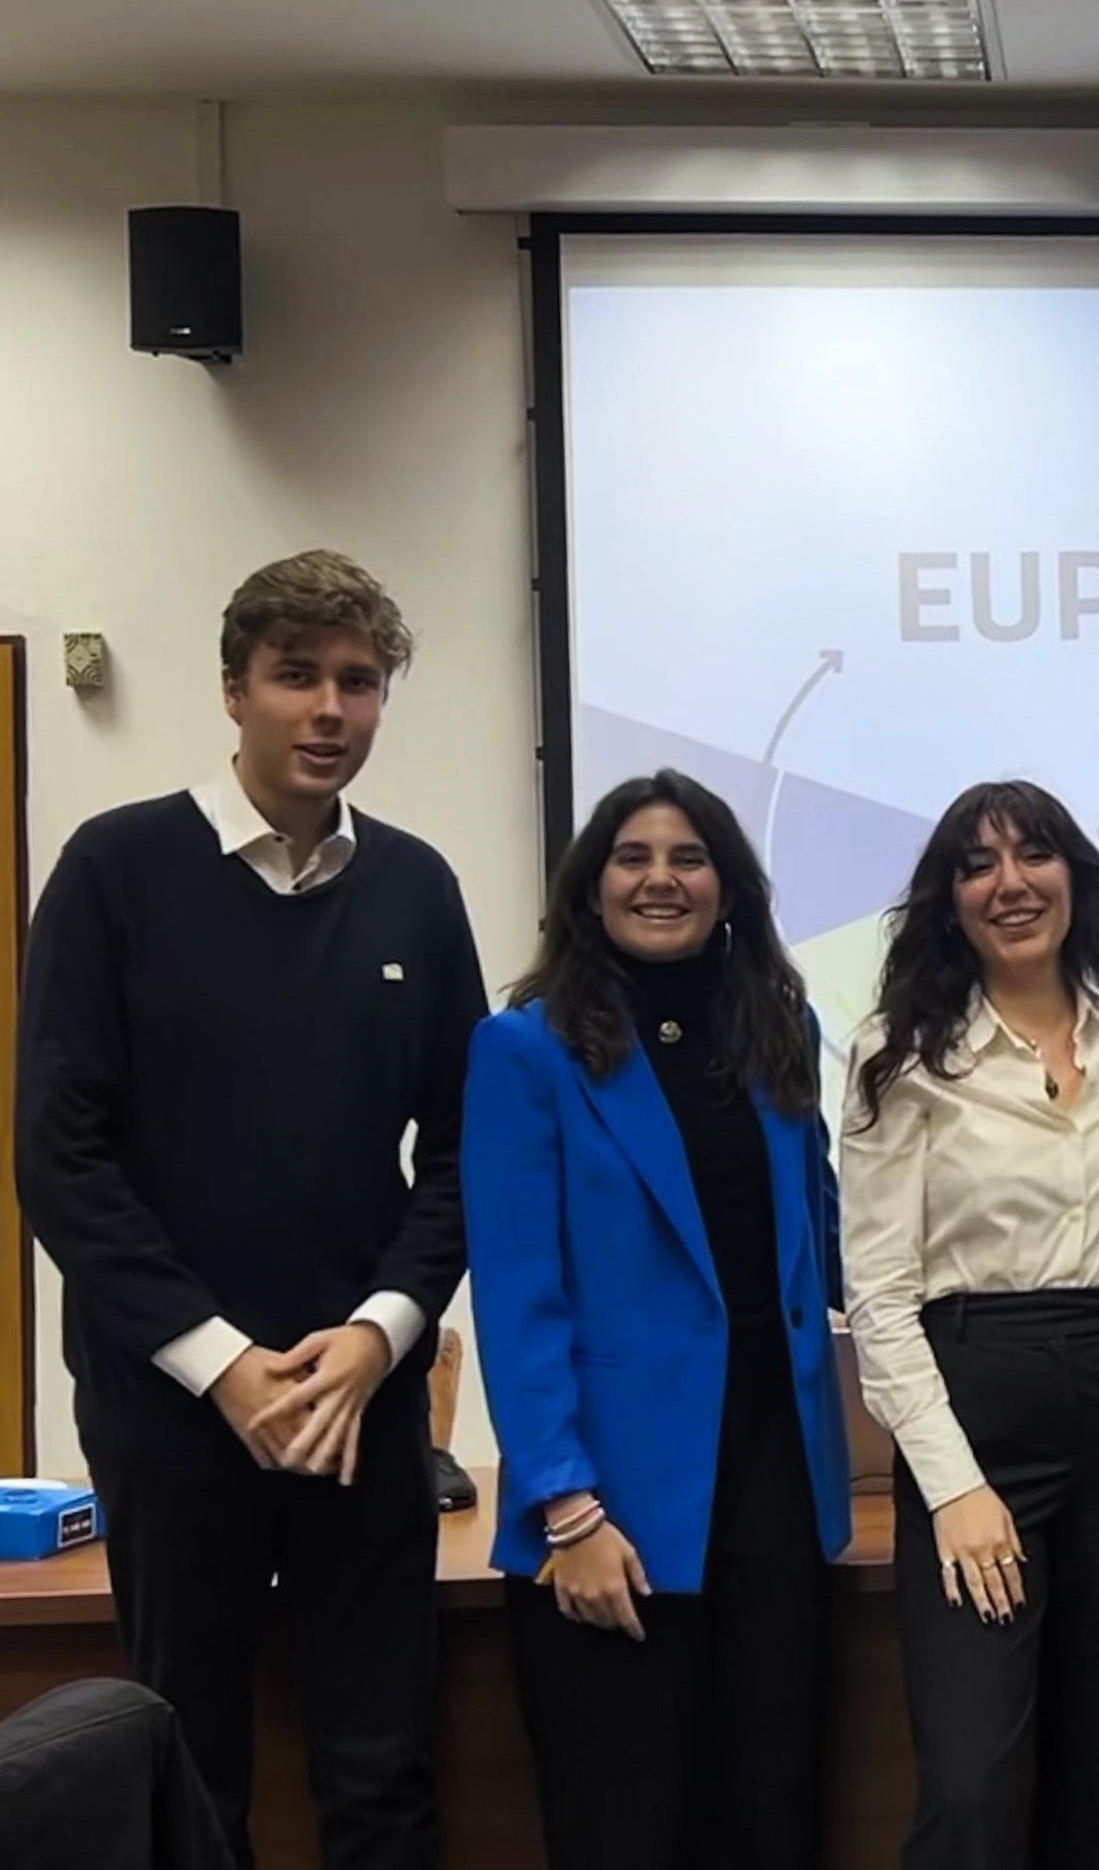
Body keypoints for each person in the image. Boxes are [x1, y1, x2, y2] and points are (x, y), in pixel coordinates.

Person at [17, 551, 483, 1870]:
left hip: (360, 1407)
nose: (330, 708)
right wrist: (222, 1365)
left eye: (360, 681)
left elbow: (463, 1151)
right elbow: (62, 1154)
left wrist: (382, 1336)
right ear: (235, 691)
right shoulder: (117, 871)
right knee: (186, 1767)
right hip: (169, 1406)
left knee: (383, 1771)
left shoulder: (416, 888)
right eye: (299, 676)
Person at [461, 770, 854, 1870]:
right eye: (633, 857)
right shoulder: (526, 1050)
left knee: (775, 1816)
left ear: (728, 887)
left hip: (777, 1485)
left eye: (688, 858)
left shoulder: (781, 1030)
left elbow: (819, 1244)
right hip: (616, 1509)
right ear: (591, 889)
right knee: (625, 1826)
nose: (661, 879)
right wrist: (568, 1511)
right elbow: (517, 1295)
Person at [840, 780, 1099, 1870]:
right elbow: (879, 1296)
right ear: (947, 899)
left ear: (1077, 879)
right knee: (973, 1786)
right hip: (980, 1418)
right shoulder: (898, 1057)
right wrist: (953, 1487)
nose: (1009, 883)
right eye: (976, 863)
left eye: (1033, 854)